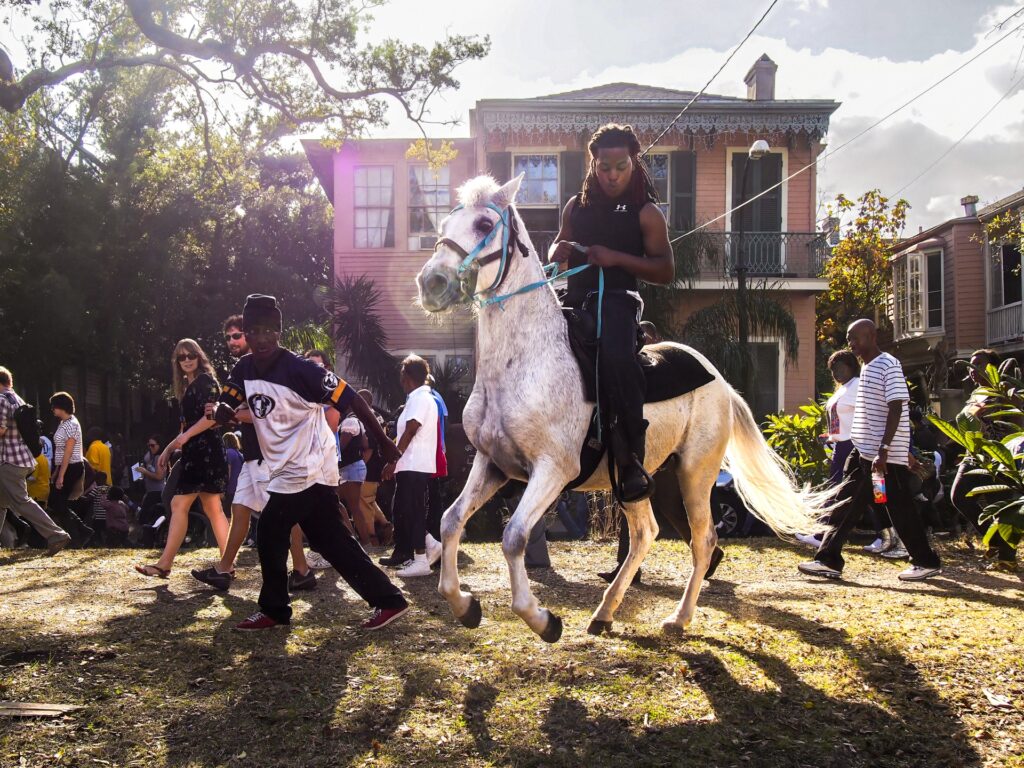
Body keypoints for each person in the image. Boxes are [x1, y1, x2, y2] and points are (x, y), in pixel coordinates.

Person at [209, 294, 408, 631]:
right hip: (287, 467)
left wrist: (385, 442)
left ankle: (274, 610)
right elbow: (224, 403)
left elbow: (353, 399)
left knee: (271, 529)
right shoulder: (243, 369)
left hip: (309, 466)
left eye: (269, 332)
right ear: (245, 332)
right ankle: (389, 601)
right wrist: (223, 412)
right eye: (254, 332)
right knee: (331, 539)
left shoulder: (302, 370)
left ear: (279, 332)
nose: (261, 339)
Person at [550, 124, 674, 502]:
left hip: (619, 300)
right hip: (574, 299)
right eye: (605, 167)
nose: (612, 175)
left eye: (621, 166)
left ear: (633, 163)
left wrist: (616, 257)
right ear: (594, 163)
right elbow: (561, 241)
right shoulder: (576, 205)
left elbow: (666, 271)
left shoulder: (647, 212)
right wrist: (558, 249)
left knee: (618, 358)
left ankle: (631, 457)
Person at [798, 319, 942, 582]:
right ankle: (828, 559)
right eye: (849, 338)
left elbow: (897, 406)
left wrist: (888, 450)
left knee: (895, 506)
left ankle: (924, 560)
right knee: (850, 502)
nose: (851, 343)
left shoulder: (887, 364)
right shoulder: (867, 367)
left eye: (856, 338)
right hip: (864, 452)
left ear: (872, 336)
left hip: (880, 458)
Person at [191, 315, 315, 593]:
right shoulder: (243, 370)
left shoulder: (262, 371)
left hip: (269, 454)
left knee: (285, 514)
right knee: (240, 508)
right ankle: (224, 569)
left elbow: (265, 414)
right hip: (252, 454)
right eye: (229, 337)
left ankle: (302, 570)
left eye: (237, 336)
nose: (232, 341)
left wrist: (230, 414)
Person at [135, 339, 229, 579]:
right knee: (212, 507)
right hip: (195, 451)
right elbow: (186, 428)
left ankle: (165, 564)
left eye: (191, 355)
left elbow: (212, 418)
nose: (187, 360)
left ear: (199, 356)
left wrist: (183, 439)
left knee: (181, 505)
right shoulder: (188, 387)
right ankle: (228, 564)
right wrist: (168, 449)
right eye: (181, 357)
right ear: (176, 362)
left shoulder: (206, 382)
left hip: (206, 452)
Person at [950, 349, 1019, 570]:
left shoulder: (1006, 389)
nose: (972, 370)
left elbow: (1019, 415)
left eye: (978, 364)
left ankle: (1007, 558)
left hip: (1000, 454)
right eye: (970, 365)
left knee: (1001, 505)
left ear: (992, 367)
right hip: (975, 455)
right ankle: (996, 542)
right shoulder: (976, 393)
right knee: (959, 496)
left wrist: (1006, 394)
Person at [378, 355, 441, 577]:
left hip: (415, 464)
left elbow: (411, 430)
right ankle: (420, 548)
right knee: (403, 510)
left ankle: (422, 559)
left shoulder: (420, 399)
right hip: (410, 464)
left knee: (412, 511)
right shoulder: (417, 397)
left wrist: (392, 460)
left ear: (406, 375)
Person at [0, 367, 71, 554]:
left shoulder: (0, 400)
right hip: (23, 459)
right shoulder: (17, 399)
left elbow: (1, 430)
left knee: (22, 502)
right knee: (0, 503)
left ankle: (56, 534)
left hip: (9, 461)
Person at [796, 349, 861, 550]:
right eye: (833, 369)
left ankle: (821, 532)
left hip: (853, 445)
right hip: (840, 445)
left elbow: (864, 416)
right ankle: (821, 531)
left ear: (851, 367)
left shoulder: (857, 386)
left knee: (839, 490)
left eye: (840, 368)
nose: (836, 373)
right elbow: (840, 418)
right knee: (841, 490)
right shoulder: (844, 388)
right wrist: (830, 437)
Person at [48, 391, 91, 538]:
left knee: (58, 501)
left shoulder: (71, 424)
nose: (52, 409)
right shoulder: (64, 423)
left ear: (61, 407)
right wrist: (57, 471)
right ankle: (81, 530)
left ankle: (77, 534)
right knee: (58, 502)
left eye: (54, 406)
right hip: (65, 466)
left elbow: (68, 452)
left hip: (72, 466)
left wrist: (61, 475)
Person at [357, 389, 395, 547]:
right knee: (369, 499)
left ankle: (371, 539)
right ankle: (386, 526)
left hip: (369, 465)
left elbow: (370, 446)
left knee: (364, 501)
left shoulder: (367, 417)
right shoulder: (378, 416)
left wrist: (360, 465)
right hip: (378, 463)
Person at [137, 435, 166, 538]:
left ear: (159, 445)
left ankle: (148, 538)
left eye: (153, 445)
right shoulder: (152, 458)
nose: (150, 448)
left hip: (157, 492)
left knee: (146, 516)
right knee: (146, 516)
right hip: (151, 491)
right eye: (149, 445)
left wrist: (145, 471)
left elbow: (159, 476)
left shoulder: (159, 457)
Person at [84, 427, 112, 495]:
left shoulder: (93, 447)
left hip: (98, 487)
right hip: (108, 483)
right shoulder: (105, 448)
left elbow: (93, 469)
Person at [222, 432, 244, 512]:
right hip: (238, 488)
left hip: (230, 488)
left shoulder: (229, 452)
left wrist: (223, 488)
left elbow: (228, 471)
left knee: (226, 512)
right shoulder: (239, 454)